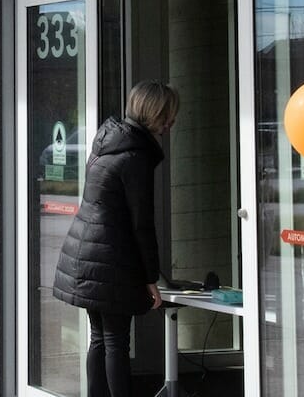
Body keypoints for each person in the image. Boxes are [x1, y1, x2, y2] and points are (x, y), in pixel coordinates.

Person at [52, 81, 180, 397]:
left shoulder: (109, 142)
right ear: (155, 115)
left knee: (100, 338)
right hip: (109, 258)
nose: (172, 123)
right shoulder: (135, 156)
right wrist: (151, 278)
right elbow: (141, 224)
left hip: (86, 251)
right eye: (169, 115)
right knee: (115, 342)